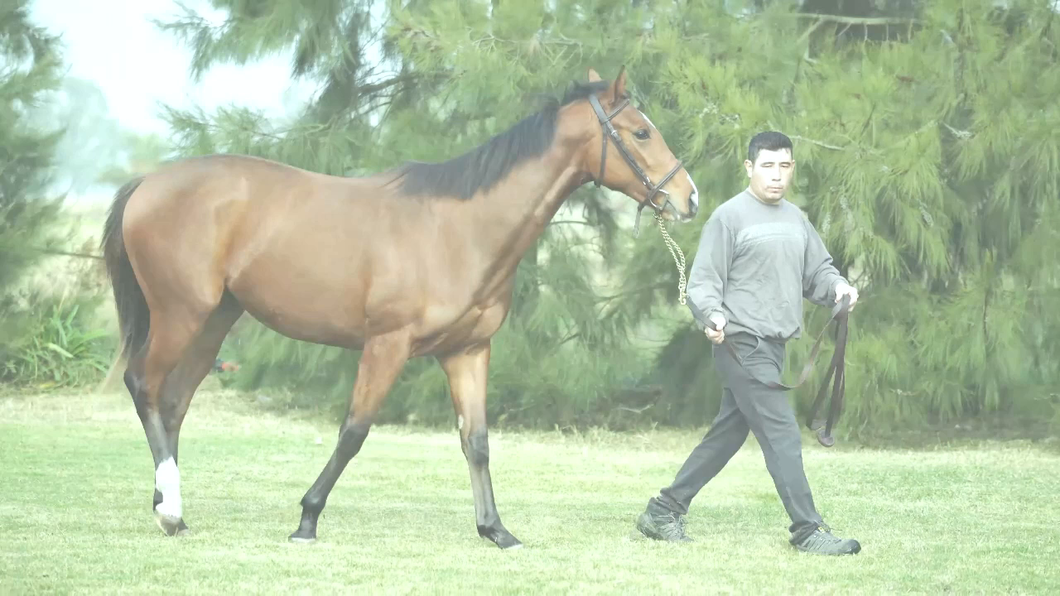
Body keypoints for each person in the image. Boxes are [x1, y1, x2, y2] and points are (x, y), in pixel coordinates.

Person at [634, 131, 862, 555]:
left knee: (728, 433)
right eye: (768, 166)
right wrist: (713, 314)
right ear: (750, 168)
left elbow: (819, 273)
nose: (776, 176)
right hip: (741, 343)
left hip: (774, 346)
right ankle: (808, 530)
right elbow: (703, 282)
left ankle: (663, 511)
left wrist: (839, 288)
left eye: (784, 166)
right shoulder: (729, 218)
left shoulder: (797, 220)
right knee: (782, 434)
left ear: (792, 168)